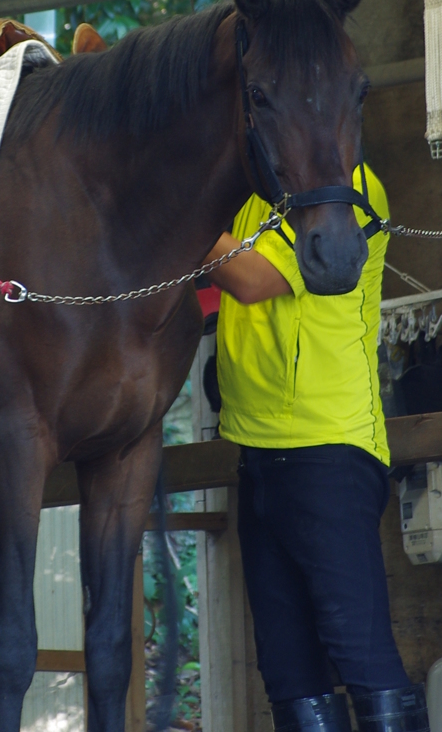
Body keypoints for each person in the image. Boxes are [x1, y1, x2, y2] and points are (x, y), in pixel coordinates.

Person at [206, 163, 430, 732]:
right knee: (288, 674)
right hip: (256, 451)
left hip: (328, 446)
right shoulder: (248, 197)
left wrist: (172, 212)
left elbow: (254, 280)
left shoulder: (346, 187)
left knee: (361, 656)